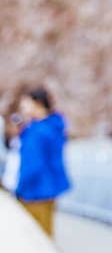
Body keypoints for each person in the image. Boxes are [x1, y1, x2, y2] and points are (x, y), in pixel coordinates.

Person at [15, 87, 71, 237]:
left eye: (25, 104)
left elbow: (32, 165)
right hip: (49, 189)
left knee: (35, 239)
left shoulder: (37, 131)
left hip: (34, 192)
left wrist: (19, 190)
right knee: (46, 235)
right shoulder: (53, 126)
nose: (22, 108)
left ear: (37, 104)